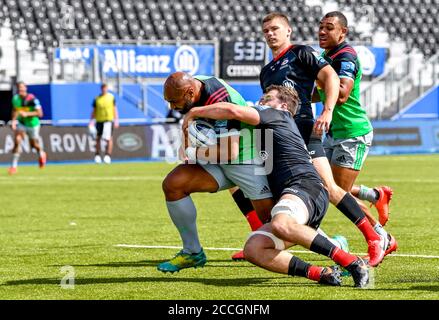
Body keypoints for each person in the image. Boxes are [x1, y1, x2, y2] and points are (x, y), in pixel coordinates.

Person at [231, 12, 388, 267]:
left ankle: (374, 237)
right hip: (280, 138)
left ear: (288, 31)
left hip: (306, 130)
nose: (270, 34)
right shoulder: (267, 71)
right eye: (266, 31)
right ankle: (269, 238)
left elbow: (331, 78)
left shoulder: (301, 53)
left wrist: (326, 111)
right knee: (273, 190)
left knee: (330, 188)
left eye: (275, 29)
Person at [183, 85, 369, 288]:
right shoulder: (264, 131)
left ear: (282, 105)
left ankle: (352, 263)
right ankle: (320, 273)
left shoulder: (276, 115)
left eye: (267, 98)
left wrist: (194, 111)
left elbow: (233, 110)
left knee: (281, 223)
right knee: (254, 249)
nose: (261, 102)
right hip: (297, 198)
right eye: (262, 98)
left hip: (306, 187)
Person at [157, 72, 274, 273]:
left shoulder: (219, 97)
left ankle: (334, 245)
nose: (172, 107)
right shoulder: (194, 87)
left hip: (246, 159)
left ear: (190, 92)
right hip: (219, 157)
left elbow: (230, 152)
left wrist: (191, 151)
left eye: (174, 102)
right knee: (174, 184)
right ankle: (192, 252)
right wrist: (188, 138)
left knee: (278, 224)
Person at [315, 11, 397, 255]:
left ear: (343, 32)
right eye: (320, 27)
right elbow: (319, 93)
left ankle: (382, 237)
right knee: (325, 185)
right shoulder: (326, 56)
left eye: (329, 28)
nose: (322, 31)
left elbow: (340, 95)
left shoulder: (346, 56)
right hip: (333, 132)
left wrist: (318, 79)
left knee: (336, 192)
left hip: (352, 133)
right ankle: (374, 195)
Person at [8, 81, 47, 175]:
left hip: (33, 124)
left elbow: (40, 113)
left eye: (22, 88)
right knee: (17, 140)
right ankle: (14, 166)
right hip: (22, 124)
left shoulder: (32, 99)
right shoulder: (15, 99)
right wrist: (13, 121)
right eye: (19, 88)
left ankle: (42, 154)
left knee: (33, 145)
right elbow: (14, 110)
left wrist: (27, 114)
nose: (21, 90)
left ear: (25, 89)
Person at [89, 83, 119, 164]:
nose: (104, 89)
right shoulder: (97, 98)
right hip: (99, 121)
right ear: (101, 88)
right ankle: (97, 155)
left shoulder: (111, 97)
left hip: (108, 121)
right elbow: (94, 111)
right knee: (98, 138)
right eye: (103, 87)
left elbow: (114, 109)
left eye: (105, 87)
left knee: (108, 138)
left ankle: (107, 155)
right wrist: (91, 121)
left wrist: (116, 120)